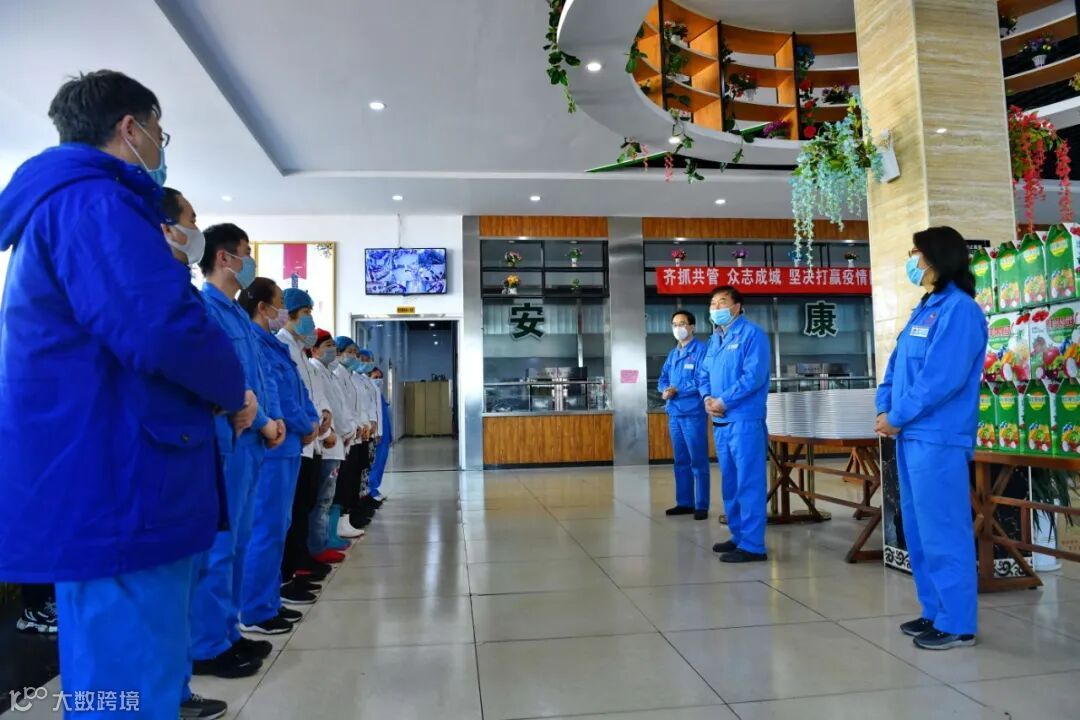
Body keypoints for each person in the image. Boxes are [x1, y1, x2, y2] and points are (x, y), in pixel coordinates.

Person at [0, 70, 247, 719]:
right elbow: (162, 328)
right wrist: (233, 388)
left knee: (125, 670)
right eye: (160, 131)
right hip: (120, 476)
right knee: (130, 677)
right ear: (130, 128)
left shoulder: (70, 204)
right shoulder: (95, 205)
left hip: (113, 467)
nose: (162, 147)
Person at [875, 226, 986, 651]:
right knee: (919, 530)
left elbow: (942, 379)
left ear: (937, 256)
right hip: (910, 435)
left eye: (915, 253)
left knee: (944, 529)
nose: (912, 261)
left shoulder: (960, 311)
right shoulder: (924, 309)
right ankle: (934, 611)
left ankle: (957, 622)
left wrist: (897, 416)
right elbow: (895, 367)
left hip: (938, 437)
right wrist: (884, 409)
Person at [191, 223, 285, 679]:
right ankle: (207, 645)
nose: (251, 262)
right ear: (225, 258)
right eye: (246, 252)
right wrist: (259, 417)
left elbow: (257, 381)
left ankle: (228, 632)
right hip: (227, 442)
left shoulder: (235, 315)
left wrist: (270, 421)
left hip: (251, 442)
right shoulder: (205, 309)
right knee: (220, 547)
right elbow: (224, 379)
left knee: (241, 541)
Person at [160, 187, 231, 720]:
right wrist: (237, 398)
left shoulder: (177, 289)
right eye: (191, 218)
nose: (196, 228)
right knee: (162, 584)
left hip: (197, 438)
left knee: (198, 564)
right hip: (168, 445)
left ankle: (180, 684)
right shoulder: (150, 288)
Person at [238, 278, 320, 636]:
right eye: (280, 306)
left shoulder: (274, 345)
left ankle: (268, 600)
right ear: (263, 307)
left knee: (279, 526)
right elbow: (277, 396)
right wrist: (303, 423)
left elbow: (298, 391)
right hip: (274, 444)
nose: (283, 313)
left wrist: (311, 421)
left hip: (290, 443)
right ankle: (254, 608)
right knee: (266, 527)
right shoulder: (255, 343)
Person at [698, 285, 771, 563]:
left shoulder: (752, 335)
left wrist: (724, 401)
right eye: (713, 303)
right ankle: (739, 535)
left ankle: (753, 546)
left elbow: (753, 377)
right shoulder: (715, 339)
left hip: (744, 421)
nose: (716, 308)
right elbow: (704, 374)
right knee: (730, 483)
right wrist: (707, 397)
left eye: (722, 302)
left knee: (749, 482)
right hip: (720, 421)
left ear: (737, 307)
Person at [277, 288, 335, 604]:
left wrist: (323, 415)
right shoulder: (282, 347)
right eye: (306, 313)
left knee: (305, 505)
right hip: (297, 439)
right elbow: (288, 396)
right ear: (289, 314)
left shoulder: (300, 352)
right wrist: (308, 423)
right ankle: (289, 574)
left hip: (311, 438)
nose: (310, 320)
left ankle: (298, 564)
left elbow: (312, 395)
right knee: (294, 511)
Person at [659, 310, 711, 520]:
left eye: (682, 323)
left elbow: (702, 379)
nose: (678, 328)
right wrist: (665, 389)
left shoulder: (701, 350)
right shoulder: (673, 353)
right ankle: (684, 502)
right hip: (674, 412)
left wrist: (678, 389)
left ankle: (701, 504)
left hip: (693, 413)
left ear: (692, 327)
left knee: (698, 460)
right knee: (680, 460)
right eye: (674, 324)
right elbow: (663, 377)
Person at [308, 330, 350, 562]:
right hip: (327, 441)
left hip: (337, 439)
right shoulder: (315, 370)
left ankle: (325, 539)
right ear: (314, 350)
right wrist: (338, 431)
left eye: (334, 346)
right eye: (328, 346)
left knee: (328, 496)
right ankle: (318, 544)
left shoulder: (328, 373)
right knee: (322, 498)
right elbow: (326, 408)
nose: (333, 350)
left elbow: (339, 408)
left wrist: (350, 430)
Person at [332, 336, 372, 540]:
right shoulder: (337, 374)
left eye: (356, 353)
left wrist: (363, 425)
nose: (354, 357)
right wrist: (352, 428)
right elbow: (341, 408)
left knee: (353, 478)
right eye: (350, 352)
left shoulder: (350, 375)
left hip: (356, 433)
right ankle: (340, 523)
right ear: (339, 352)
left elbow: (358, 407)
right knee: (343, 482)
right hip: (345, 435)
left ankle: (347, 519)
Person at [367, 364, 393, 503]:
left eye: (380, 377)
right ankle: (370, 490)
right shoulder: (369, 392)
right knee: (374, 463)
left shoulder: (379, 395)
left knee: (381, 462)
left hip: (384, 436)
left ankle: (375, 488)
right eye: (375, 377)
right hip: (376, 435)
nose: (379, 380)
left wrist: (389, 436)